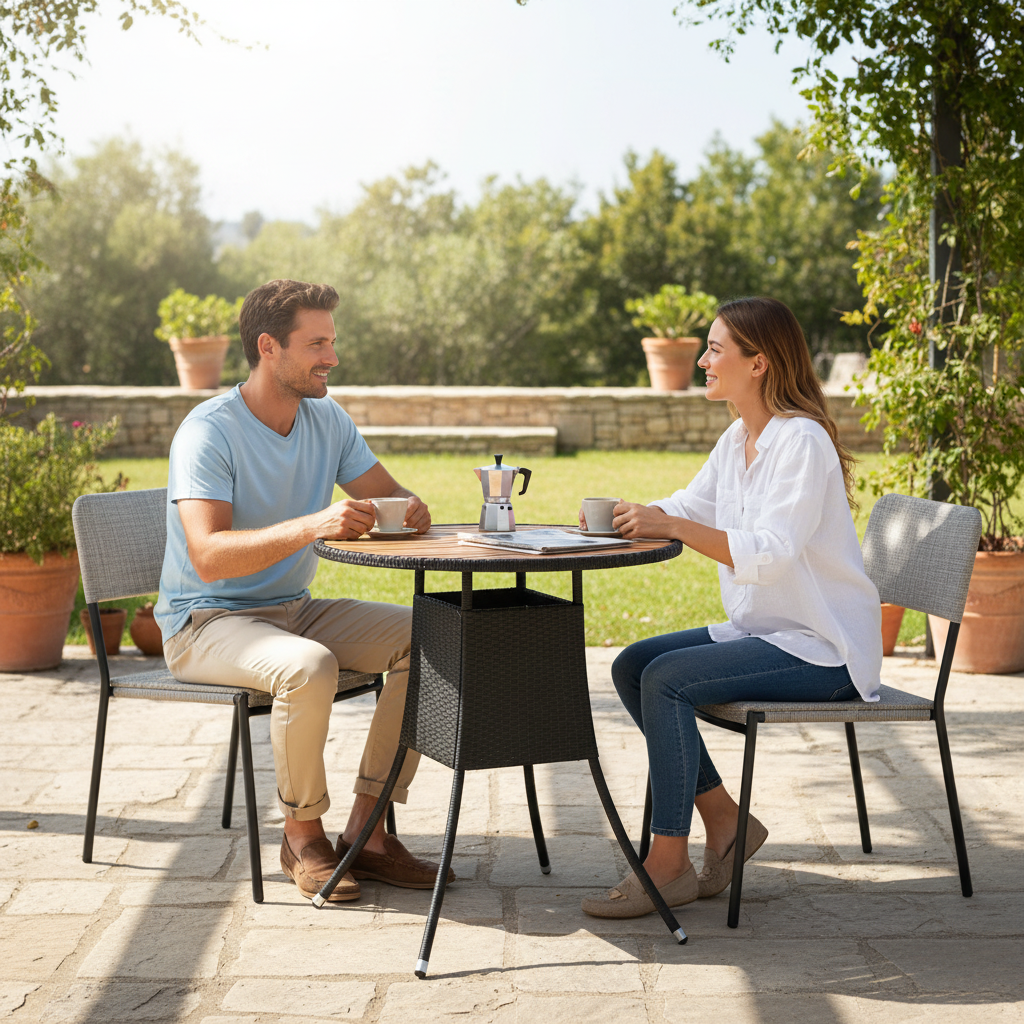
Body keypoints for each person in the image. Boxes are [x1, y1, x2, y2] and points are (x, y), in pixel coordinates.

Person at [581, 296, 882, 919]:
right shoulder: (739, 437)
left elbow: (769, 554)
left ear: (759, 364)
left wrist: (673, 525)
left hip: (823, 650)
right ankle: (727, 821)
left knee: (666, 681)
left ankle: (669, 864)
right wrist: (626, 517)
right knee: (633, 665)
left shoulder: (801, 443)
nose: (703, 358)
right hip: (767, 632)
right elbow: (691, 505)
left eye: (717, 348)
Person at [155, 278, 453, 903]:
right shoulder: (208, 432)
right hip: (205, 622)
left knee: (432, 638)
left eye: (332, 341)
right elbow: (207, 556)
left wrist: (411, 510)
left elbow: (388, 495)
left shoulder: (326, 419)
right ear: (269, 347)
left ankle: (368, 834)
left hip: (293, 610)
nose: (332, 357)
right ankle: (301, 836)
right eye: (316, 343)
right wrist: (313, 525)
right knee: (308, 667)